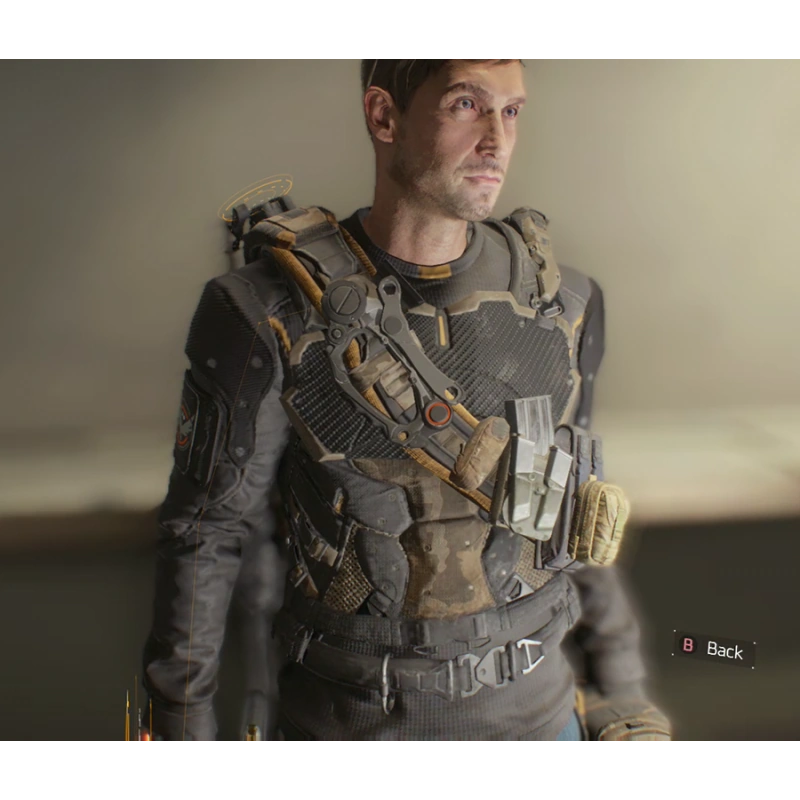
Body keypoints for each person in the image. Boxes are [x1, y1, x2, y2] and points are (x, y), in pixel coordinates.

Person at [141, 56, 672, 743]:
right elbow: (205, 535)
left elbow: (575, 515)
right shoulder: (266, 311)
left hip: (543, 724)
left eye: (511, 111)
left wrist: (624, 697)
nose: (497, 140)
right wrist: (180, 732)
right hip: (348, 731)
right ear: (384, 115)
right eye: (465, 105)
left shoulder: (564, 304)